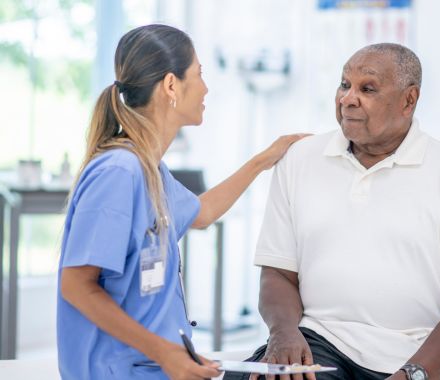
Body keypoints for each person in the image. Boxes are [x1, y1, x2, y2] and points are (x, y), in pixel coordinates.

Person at [223, 44, 440, 380]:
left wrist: (414, 374)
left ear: (408, 100)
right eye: (343, 84)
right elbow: (278, 272)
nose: (347, 99)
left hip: (415, 357)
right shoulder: (300, 160)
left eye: (367, 89)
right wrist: (283, 333)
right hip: (321, 344)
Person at [57, 24, 307, 380]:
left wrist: (265, 160)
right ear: (172, 85)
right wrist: (165, 353)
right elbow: (77, 285)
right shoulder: (119, 171)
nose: (206, 88)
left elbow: (202, 213)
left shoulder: (150, 168)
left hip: (154, 368)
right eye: (199, 74)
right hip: (116, 371)